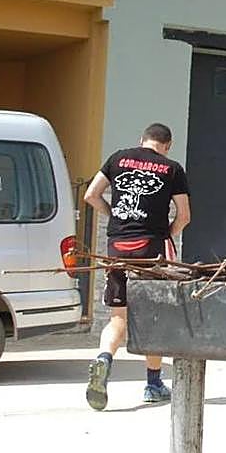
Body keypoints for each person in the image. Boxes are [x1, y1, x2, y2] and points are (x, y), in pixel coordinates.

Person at [82, 123, 190, 410]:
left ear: (141, 140)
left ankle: (104, 358)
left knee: (118, 317)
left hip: (118, 247)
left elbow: (91, 195)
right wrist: (168, 232)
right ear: (167, 145)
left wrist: (114, 216)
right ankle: (153, 385)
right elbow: (184, 216)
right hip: (151, 248)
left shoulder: (117, 158)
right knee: (153, 317)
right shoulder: (172, 168)